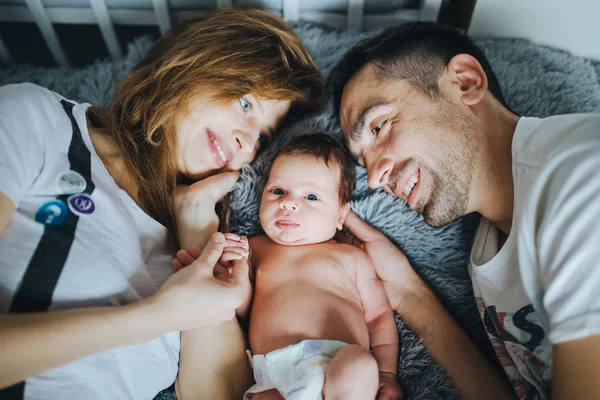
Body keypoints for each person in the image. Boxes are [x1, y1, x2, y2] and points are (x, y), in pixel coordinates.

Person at [0, 8, 324, 400]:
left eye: (262, 135)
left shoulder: (191, 241)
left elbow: (219, 393)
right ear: (194, 62)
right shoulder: (38, 119)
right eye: (245, 103)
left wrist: (197, 230)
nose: (246, 142)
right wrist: (161, 316)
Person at [327, 20, 600, 400]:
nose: (374, 178)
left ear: (465, 82)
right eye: (363, 161)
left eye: (379, 126)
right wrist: (408, 294)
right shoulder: (487, 254)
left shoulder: (581, 176)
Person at [172, 134, 403, 400]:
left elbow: (377, 317)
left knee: (360, 365)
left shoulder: (351, 257)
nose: (288, 203)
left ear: (340, 215)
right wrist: (230, 275)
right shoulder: (253, 249)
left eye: (312, 196)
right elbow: (243, 308)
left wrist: (386, 373)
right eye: (278, 191)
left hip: (338, 363)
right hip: (275, 376)